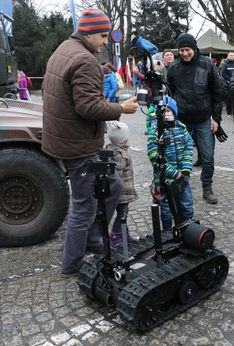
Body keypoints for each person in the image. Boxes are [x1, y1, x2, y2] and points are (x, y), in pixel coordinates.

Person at [41, 8, 139, 278]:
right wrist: (120, 108)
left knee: (113, 185)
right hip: (77, 144)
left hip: (67, 139)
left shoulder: (64, 48)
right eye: (103, 36)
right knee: (84, 205)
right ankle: (72, 265)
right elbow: (87, 107)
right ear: (89, 32)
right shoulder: (84, 60)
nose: (106, 41)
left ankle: (94, 239)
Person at [167, 33, 225, 205]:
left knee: (208, 157)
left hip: (203, 119)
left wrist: (217, 118)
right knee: (176, 156)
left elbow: (217, 92)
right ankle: (178, 186)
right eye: (182, 50)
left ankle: (207, 187)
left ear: (194, 48)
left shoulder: (207, 65)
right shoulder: (174, 68)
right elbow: (169, 93)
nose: (185, 53)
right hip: (181, 119)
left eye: (188, 50)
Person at [147, 96, 194, 231]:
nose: (166, 113)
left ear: (174, 113)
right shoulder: (155, 131)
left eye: (169, 111)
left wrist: (185, 171)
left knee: (186, 203)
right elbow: (154, 156)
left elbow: (189, 147)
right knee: (166, 207)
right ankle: (167, 230)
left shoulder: (181, 128)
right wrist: (174, 173)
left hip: (182, 178)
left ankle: (188, 227)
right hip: (164, 179)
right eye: (163, 111)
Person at [105, 121, 137, 249]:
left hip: (119, 192)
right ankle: (117, 237)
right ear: (123, 139)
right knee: (122, 214)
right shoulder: (120, 155)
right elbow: (116, 176)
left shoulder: (110, 150)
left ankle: (123, 234)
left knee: (123, 213)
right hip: (122, 193)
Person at [220, 51, 234, 117]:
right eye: (230, 55)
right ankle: (229, 112)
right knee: (229, 99)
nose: (232, 56)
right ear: (228, 56)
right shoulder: (225, 64)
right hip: (228, 84)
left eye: (233, 55)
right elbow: (223, 73)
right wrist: (230, 79)